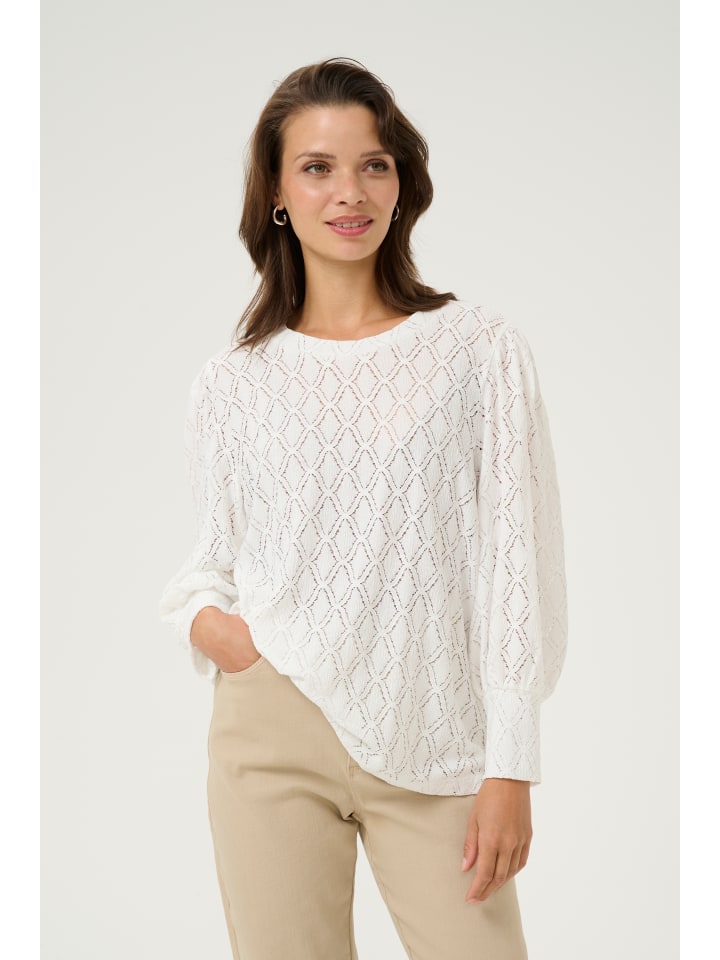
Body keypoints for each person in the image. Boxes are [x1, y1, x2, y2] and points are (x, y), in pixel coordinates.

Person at [159, 57, 567, 960]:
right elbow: (212, 556)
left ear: (402, 181)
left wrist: (511, 764)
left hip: (436, 733)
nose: (349, 192)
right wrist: (212, 625)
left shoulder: (478, 350)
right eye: (318, 167)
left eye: (373, 164)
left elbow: (516, 566)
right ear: (276, 192)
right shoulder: (232, 383)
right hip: (270, 726)